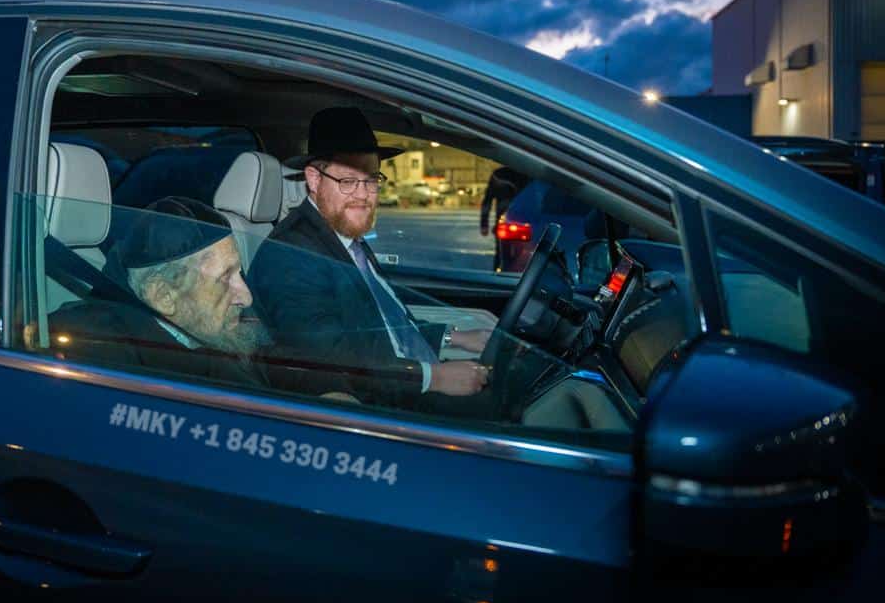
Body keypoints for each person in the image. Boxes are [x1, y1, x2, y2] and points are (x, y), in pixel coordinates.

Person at [249, 107, 496, 409]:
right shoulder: (290, 256)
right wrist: (434, 378)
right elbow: (330, 362)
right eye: (348, 181)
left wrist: (453, 337)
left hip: (403, 378)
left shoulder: (343, 236)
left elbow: (384, 325)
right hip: (385, 403)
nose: (363, 195)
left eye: (371, 180)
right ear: (314, 179)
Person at [51, 196, 351, 398]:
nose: (246, 297)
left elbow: (271, 359)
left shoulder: (207, 323)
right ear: (164, 296)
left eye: (239, 274)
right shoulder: (103, 355)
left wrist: (334, 392)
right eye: (225, 278)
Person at [479, 166, 530, 235]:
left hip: (505, 222)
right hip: (525, 222)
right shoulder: (527, 174)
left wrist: (484, 225)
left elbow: (487, 201)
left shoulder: (498, 175)